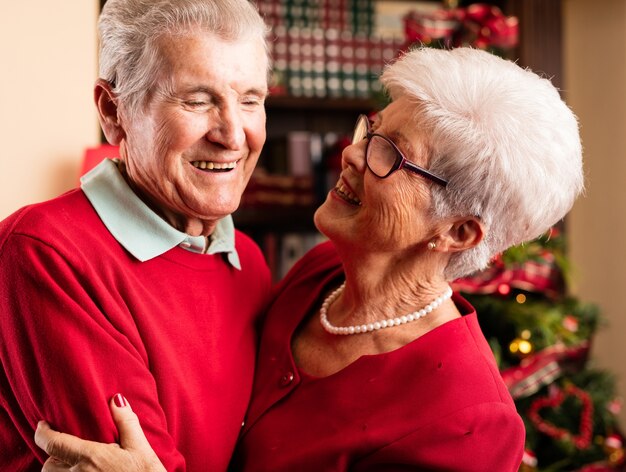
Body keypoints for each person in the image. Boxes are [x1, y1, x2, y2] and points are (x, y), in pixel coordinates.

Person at [35, 46, 584, 471]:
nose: (351, 153)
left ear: (459, 231)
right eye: (372, 128)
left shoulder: (469, 422)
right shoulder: (319, 273)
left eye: (389, 155)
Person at [0, 1, 272, 471]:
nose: (233, 134)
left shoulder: (247, 261)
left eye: (250, 99)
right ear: (113, 110)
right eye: (197, 100)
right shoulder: (45, 251)